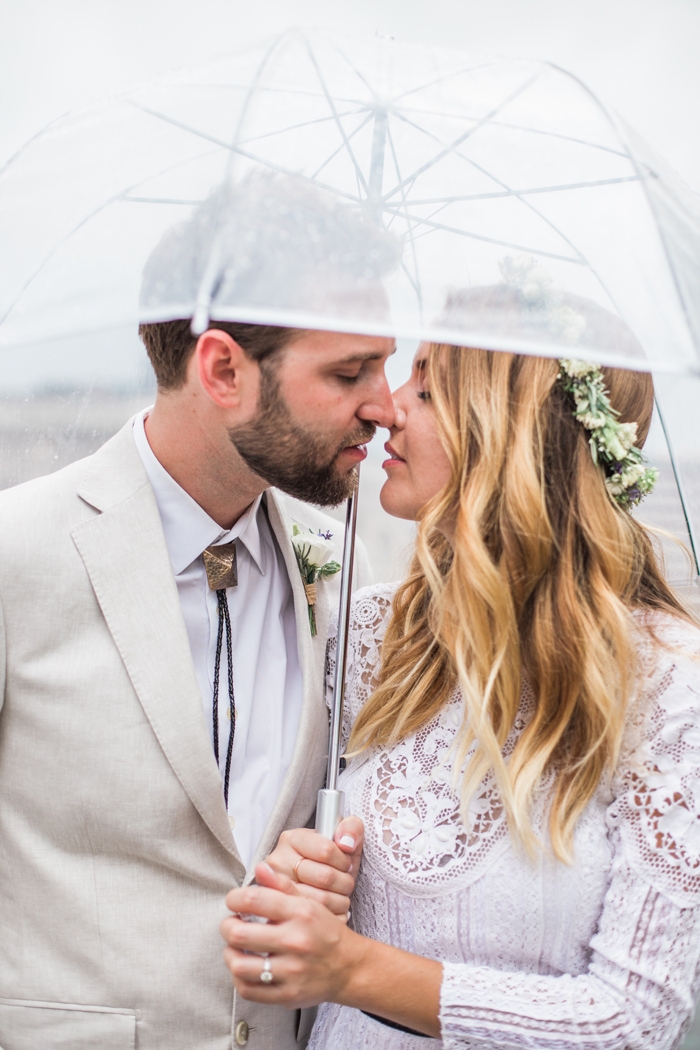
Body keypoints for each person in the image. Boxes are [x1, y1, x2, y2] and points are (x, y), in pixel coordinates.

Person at [0, 174, 398, 1048]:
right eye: (349, 371)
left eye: (385, 364)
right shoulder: (16, 553)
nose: (386, 403)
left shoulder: (343, 567)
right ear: (222, 369)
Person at [221, 339, 700, 1049]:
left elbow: (633, 1020)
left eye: (430, 390)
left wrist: (356, 970)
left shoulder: (667, 681)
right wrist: (295, 867)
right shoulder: (360, 639)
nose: (388, 412)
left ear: (512, 434)